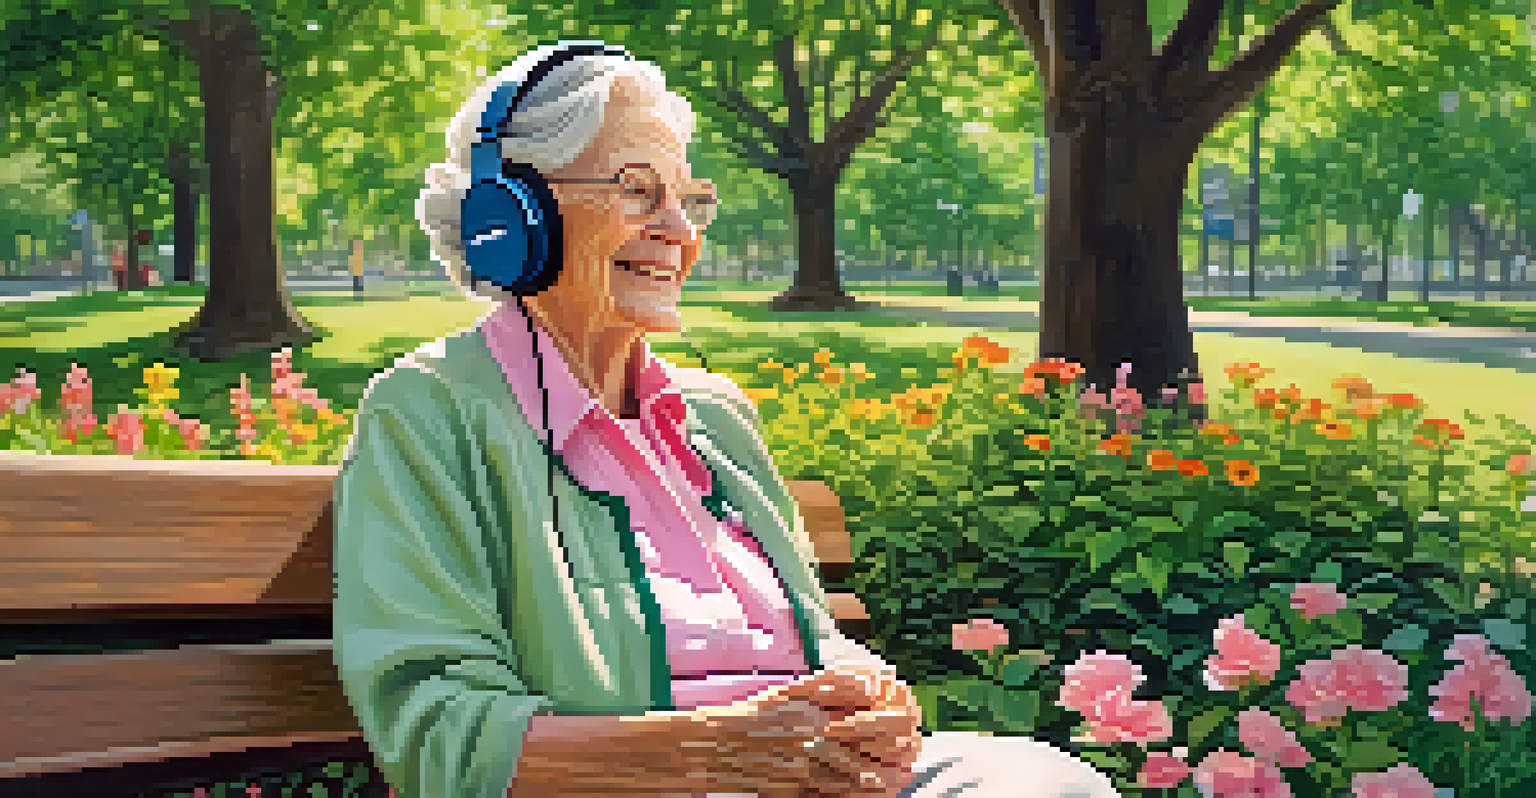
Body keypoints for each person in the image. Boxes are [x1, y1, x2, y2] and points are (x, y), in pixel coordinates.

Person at [332, 41, 1122, 798]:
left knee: (1049, 783)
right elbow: (435, 731)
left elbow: (800, 640)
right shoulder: (432, 412)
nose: (680, 231)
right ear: (514, 215)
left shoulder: (713, 418)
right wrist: (715, 752)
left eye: (691, 198)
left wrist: (866, 699)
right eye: (638, 190)